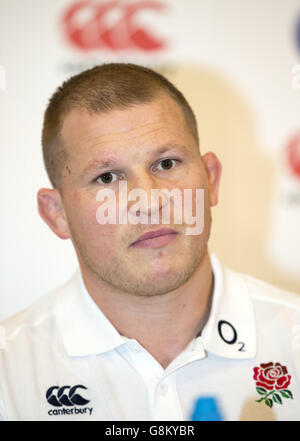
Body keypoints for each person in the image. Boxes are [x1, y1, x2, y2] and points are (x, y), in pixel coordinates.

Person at [0, 63, 300, 421]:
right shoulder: (9, 372)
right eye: (107, 176)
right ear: (57, 213)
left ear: (211, 180)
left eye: (167, 163)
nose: (150, 202)